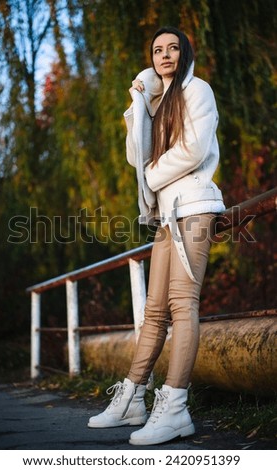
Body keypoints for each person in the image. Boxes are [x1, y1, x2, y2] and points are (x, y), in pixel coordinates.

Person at [88, 26, 225, 446]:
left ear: (185, 53)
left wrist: (150, 175)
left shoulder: (197, 90)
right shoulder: (158, 100)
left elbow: (195, 149)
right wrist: (138, 104)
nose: (165, 54)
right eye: (157, 50)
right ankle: (133, 395)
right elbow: (136, 155)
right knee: (153, 311)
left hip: (195, 205)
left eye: (173, 48)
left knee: (183, 304)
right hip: (167, 213)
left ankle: (176, 407)